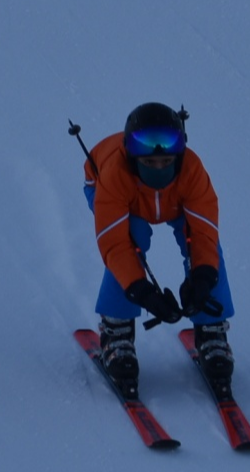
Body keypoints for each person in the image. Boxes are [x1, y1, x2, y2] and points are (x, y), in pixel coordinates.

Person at [84, 102, 234, 388]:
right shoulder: (115, 173)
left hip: (174, 199)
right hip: (123, 197)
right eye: (149, 162)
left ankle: (212, 330)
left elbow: (203, 232)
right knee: (134, 235)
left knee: (208, 251)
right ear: (132, 157)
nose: (158, 167)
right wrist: (142, 292)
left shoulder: (191, 169)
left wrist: (202, 280)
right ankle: (116, 331)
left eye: (166, 161)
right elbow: (114, 244)